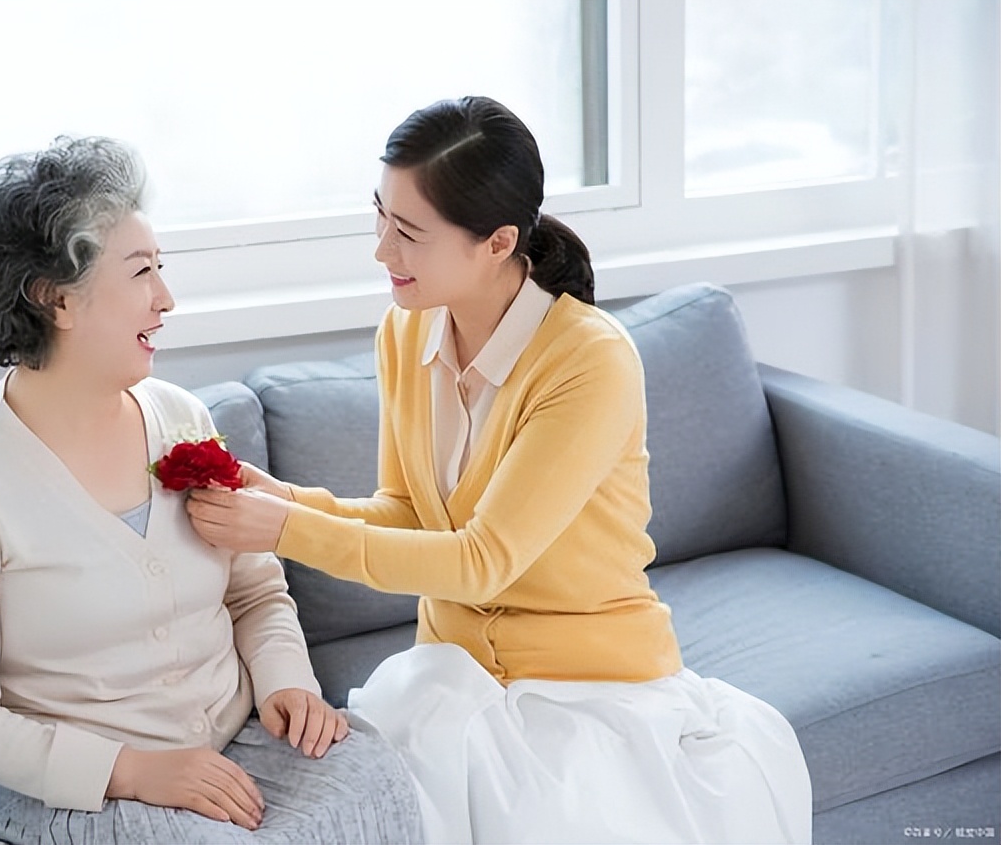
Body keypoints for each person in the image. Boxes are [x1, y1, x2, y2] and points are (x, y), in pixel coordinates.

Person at [186, 97, 813, 844]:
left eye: (409, 233)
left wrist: (286, 529)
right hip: (450, 678)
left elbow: (482, 561)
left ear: (498, 242)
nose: (383, 252)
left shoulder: (589, 360)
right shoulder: (406, 327)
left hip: (589, 690)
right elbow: (411, 513)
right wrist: (282, 498)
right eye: (379, 217)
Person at [0, 136, 420, 845]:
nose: (166, 299)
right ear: (56, 300)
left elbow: (254, 590)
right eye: (141, 273)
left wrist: (286, 683)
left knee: (375, 775)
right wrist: (135, 771)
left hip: (234, 741)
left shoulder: (181, 419)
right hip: (72, 782)